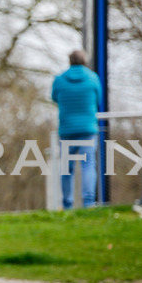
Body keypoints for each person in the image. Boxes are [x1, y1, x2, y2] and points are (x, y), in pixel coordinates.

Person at [52, 49, 102, 209]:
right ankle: (88, 203)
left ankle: (67, 204)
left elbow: (54, 97)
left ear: (70, 61)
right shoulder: (93, 78)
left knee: (67, 168)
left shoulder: (59, 80)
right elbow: (98, 98)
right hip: (88, 129)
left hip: (67, 130)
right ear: (84, 61)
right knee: (88, 165)